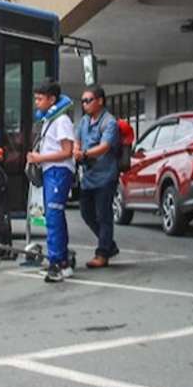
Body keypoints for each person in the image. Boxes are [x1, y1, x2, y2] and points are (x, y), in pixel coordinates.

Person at [27, 80, 75, 283]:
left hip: (59, 171)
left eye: (40, 98)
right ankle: (61, 260)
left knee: (54, 216)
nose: (37, 102)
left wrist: (40, 159)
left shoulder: (62, 121)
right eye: (35, 98)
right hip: (50, 171)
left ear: (52, 99)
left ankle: (57, 263)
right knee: (53, 216)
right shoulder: (49, 120)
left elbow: (67, 151)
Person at [73, 84, 121, 268]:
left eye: (88, 100)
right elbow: (77, 139)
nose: (85, 104)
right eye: (83, 101)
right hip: (88, 177)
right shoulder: (84, 121)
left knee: (104, 215)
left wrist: (84, 154)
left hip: (105, 176)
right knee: (86, 213)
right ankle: (109, 245)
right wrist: (77, 150)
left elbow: (105, 147)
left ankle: (102, 254)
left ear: (100, 101)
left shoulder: (109, 122)